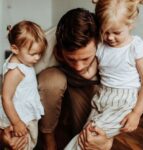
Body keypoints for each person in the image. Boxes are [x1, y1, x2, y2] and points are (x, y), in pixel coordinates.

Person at [65, 0, 143, 149]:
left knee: (86, 137)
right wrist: (78, 67)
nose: (110, 38)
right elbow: (91, 72)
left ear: (130, 24)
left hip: (122, 102)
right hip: (101, 97)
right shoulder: (100, 46)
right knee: (88, 139)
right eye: (105, 32)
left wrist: (136, 114)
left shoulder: (136, 47)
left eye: (116, 33)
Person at [38, 8, 112, 150]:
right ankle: (49, 141)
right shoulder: (44, 43)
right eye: (71, 59)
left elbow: (120, 95)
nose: (79, 67)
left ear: (97, 44)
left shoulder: (110, 44)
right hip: (56, 76)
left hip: (88, 86)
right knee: (51, 81)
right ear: (59, 50)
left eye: (85, 58)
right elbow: (12, 82)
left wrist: (107, 140)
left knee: (90, 138)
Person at [0, 20, 47, 149]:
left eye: (40, 53)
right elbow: (6, 98)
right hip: (19, 118)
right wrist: (16, 123)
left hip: (24, 115)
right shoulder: (15, 71)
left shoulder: (23, 61)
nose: (37, 58)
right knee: (22, 145)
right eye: (33, 54)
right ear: (15, 49)